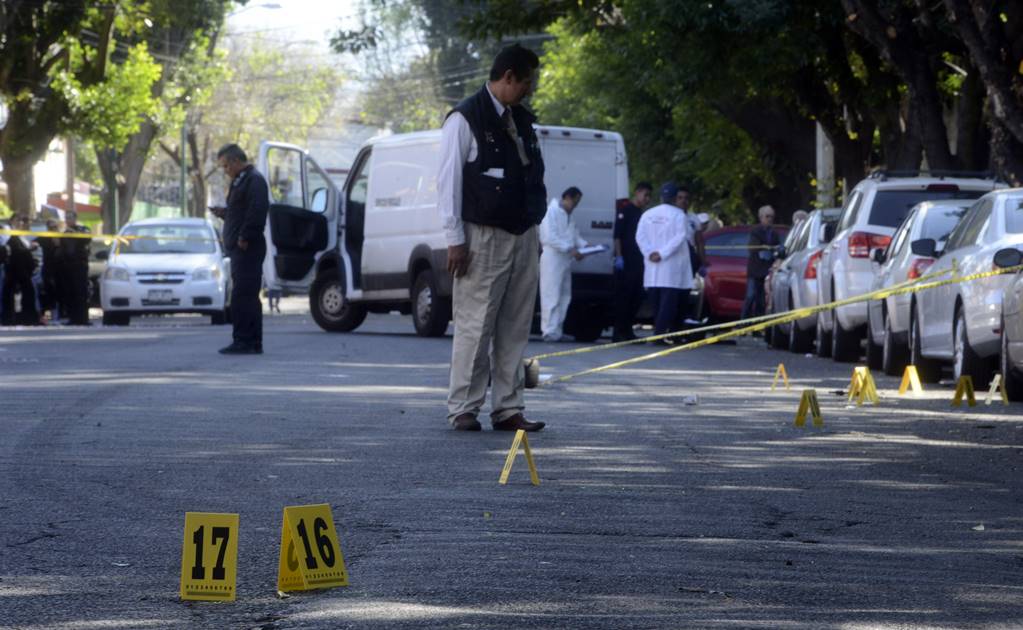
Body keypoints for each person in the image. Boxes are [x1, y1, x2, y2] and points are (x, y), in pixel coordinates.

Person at [438, 43, 547, 432]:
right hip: (481, 236)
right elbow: (447, 184)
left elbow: (532, 179)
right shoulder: (465, 119)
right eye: (526, 82)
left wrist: (536, 234)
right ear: (507, 77)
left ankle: (508, 407)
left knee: (516, 325)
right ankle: (464, 407)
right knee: (475, 324)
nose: (529, 90)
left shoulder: (523, 120)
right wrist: (455, 240)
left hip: (523, 235)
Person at [210, 144, 270, 355]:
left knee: (243, 296)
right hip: (240, 248)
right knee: (244, 295)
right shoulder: (241, 181)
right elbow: (241, 211)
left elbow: (258, 209)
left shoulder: (254, 180)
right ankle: (250, 341)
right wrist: (225, 213)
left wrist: (245, 236)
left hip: (247, 248)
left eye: (226, 166)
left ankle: (245, 340)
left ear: (236, 161)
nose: (225, 170)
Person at [635, 183, 693, 343]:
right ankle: (659, 335)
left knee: (656, 304)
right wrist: (662, 254)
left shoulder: (648, 214)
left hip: (653, 266)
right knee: (668, 304)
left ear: (661, 197)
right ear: (675, 198)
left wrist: (650, 253)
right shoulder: (679, 215)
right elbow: (680, 237)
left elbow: (640, 237)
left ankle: (659, 333)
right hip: (671, 266)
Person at [539, 186, 587, 342]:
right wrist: (570, 248)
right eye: (574, 201)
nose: (575, 205)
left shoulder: (569, 217)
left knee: (564, 295)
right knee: (551, 293)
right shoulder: (550, 212)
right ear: (566, 197)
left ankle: (557, 329)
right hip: (552, 258)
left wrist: (587, 247)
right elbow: (548, 237)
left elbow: (575, 237)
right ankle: (548, 330)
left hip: (565, 259)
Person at [612, 182, 652, 342]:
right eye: (645, 195)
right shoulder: (625, 209)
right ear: (637, 193)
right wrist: (619, 256)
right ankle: (618, 332)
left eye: (649, 196)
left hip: (639, 261)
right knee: (624, 298)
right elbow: (617, 236)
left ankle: (628, 330)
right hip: (626, 260)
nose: (647, 199)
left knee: (637, 296)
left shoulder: (641, 213)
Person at [740, 204, 781, 321]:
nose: (770, 219)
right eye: (767, 216)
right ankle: (743, 322)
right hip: (755, 270)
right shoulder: (755, 231)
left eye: (772, 217)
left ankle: (758, 326)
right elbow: (752, 247)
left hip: (766, 270)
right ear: (761, 217)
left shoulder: (774, 233)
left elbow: (777, 248)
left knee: (762, 300)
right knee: (750, 296)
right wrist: (765, 248)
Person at [1, 215, 40, 326]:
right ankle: (9, 319)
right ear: (11, 221)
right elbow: (12, 248)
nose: (20, 223)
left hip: (23, 270)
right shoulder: (7, 232)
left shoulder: (22, 236)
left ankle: (27, 318)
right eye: (18, 220)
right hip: (12, 269)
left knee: (28, 293)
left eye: (22, 221)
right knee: (9, 295)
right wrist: (29, 248)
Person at [59, 210, 91, 325]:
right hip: (68, 266)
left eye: (70, 218)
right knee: (70, 293)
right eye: (66, 218)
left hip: (80, 266)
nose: (68, 220)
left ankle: (83, 319)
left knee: (81, 292)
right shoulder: (65, 233)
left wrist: (75, 232)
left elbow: (87, 239)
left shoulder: (83, 229)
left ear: (75, 218)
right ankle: (73, 318)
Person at [36, 218, 63, 321]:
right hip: (48, 270)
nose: (52, 229)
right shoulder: (44, 238)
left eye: (55, 227)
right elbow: (33, 243)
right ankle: (52, 314)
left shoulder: (63, 237)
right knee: (49, 292)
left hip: (61, 270)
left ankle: (61, 313)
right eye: (50, 227)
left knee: (61, 292)